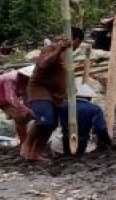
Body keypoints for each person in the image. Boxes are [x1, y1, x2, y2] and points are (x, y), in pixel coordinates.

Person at [24, 26, 84, 160]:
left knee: (51, 124)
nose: (77, 47)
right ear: (77, 40)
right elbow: (43, 64)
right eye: (78, 44)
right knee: (45, 120)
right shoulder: (51, 48)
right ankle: (27, 145)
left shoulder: (68, 55)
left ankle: (36, 152)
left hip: (56, 95)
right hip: (40, 90)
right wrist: (59, 49)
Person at [60, 83, 113, 157]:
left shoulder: (63, 105)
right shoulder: (95, 109)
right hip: (82, 146)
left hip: (61, 144)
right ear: (90, 98)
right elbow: (101, 129)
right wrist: (107, 142)